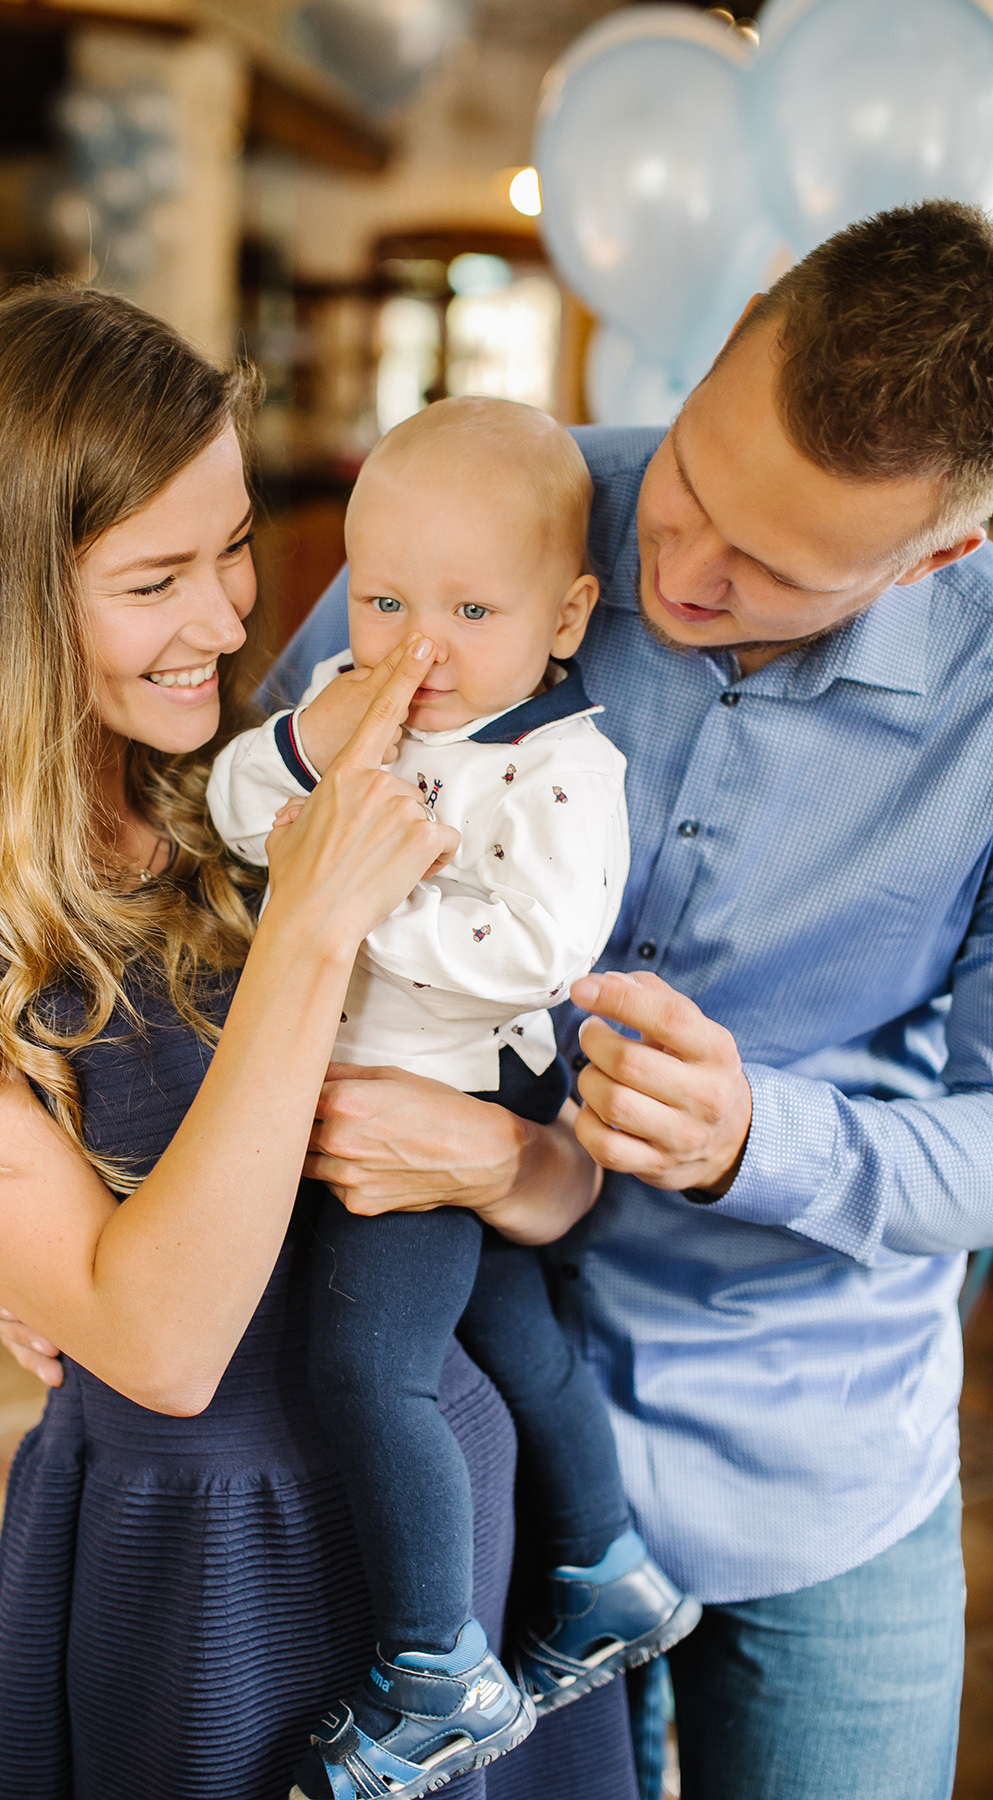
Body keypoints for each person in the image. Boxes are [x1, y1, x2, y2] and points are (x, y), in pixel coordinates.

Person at [0, 283, 642, 1800]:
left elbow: (560, 1194)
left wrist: (508, 1159)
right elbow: (166, 1346)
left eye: (237, 544)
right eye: (155, 578)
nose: (232, 619)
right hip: (210, 1572)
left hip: (455, 1532)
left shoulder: (227, 782)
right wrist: (309, 933)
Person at [247, 200, 993, 1800]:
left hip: (812, 1471)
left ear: (945, 554)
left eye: (772, 570)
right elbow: (238, 849)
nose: (676, 569)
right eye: (691, 486)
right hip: (467, 1436)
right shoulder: (504, 506)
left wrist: (757, 1139)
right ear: (718, 349)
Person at [208, 398, 698, 1800]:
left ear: (566, 615)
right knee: (520, 1343)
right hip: (365, 1079)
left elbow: (535, 953)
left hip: (430, 1111)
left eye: (472, 608)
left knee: (367, 1368)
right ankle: (605, 1574)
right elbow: (240, 807)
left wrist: (343, 904)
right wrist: (313, 750)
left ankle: (436, 1669)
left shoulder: (560, 768)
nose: (419, 646)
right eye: (383, 601)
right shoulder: (372, 710)